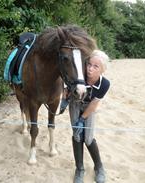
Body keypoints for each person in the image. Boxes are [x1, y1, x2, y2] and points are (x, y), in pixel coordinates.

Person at [60, 50, 110, 183]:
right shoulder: (79, 75)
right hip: (75, 104)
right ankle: (79, 169)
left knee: (88, 138)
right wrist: (64, 99)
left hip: (89, 108)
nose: (90, 69)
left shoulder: (104, 84)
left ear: (102, 70)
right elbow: (66, 86)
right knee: (77, 135)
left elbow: (94, 104)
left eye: (95, 66)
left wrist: (82, 119)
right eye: (89, 64)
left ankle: (99, 167)